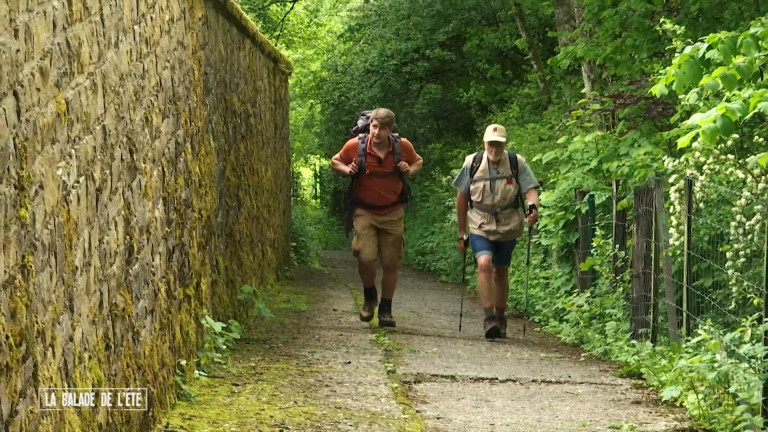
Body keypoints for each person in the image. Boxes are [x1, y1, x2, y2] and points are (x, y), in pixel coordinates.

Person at [331, 108, 423, 327]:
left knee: (391, 263)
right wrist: (348, 170)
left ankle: (385, 310)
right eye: (374, 126)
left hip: (393, 212)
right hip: (365, 212)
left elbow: (418, 161)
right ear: (369, 125)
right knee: (365, 256)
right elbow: (335, 162)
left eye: (383, 128)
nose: (377, 132)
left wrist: (409, 169)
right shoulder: (356, 145)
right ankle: (369, 295)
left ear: (391, 130)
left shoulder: (403, 147)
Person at [453, 124, 539, 339]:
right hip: (480, 223)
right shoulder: (471, 163)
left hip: (508, 225)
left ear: (504, 144)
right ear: (484, 143)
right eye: (491, 144)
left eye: (499, 144)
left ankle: (500, 318)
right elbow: (462, 197)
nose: (494, 148)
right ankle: (489, 317)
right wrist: (462, 231)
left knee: (501, 270)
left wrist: (532, 207)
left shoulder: (516, 163)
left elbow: (530, 189)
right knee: (484, 264)